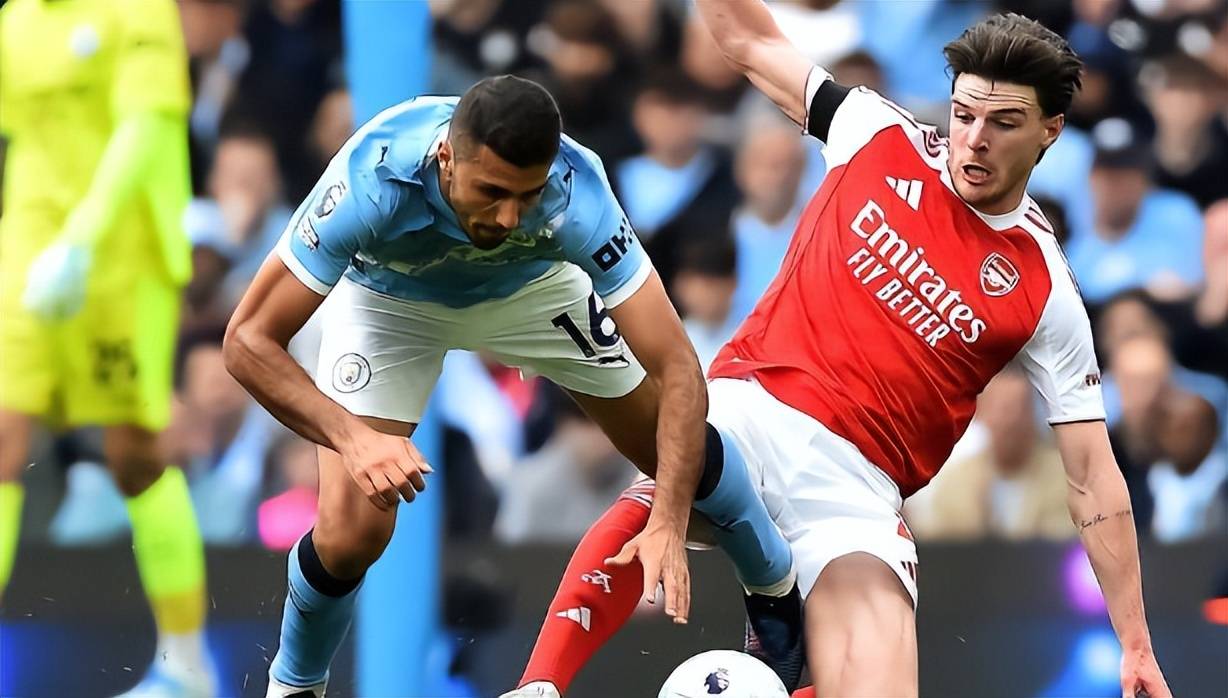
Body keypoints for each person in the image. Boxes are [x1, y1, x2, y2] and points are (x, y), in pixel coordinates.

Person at [505, 4, 1171, 697]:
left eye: (1004, 123)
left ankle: (782, 654)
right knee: (680, 465)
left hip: (855, 494)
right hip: (753, 409)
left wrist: (1135, 643)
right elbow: (746, 38)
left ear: (1049, 131)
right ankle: (538, 685)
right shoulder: (875, 131)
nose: (974, 140)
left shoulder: (1045, 288)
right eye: (964, 114)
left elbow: (1091, 475)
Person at [223, 75, 796, 698]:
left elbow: (679, 365)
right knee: (351, 535)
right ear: (446, 157)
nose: (508, 216)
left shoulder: (578, 191)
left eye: (527, 195)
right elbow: (247, 340)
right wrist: (353, 439)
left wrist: (669, 516)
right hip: (391, 300)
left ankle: (777, 588)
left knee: (671, 449)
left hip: (533, 288)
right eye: (491, 191)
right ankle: (295, 685)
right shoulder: (373, 179)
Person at [0, 1, 212, 695]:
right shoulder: (16, 20)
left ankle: (186, 666)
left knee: (134, 455)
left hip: (123, 254)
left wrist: (83, 239)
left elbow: (146, 130)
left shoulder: (138, 11)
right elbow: (24, 140)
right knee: (0, 434)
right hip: (28, 250)